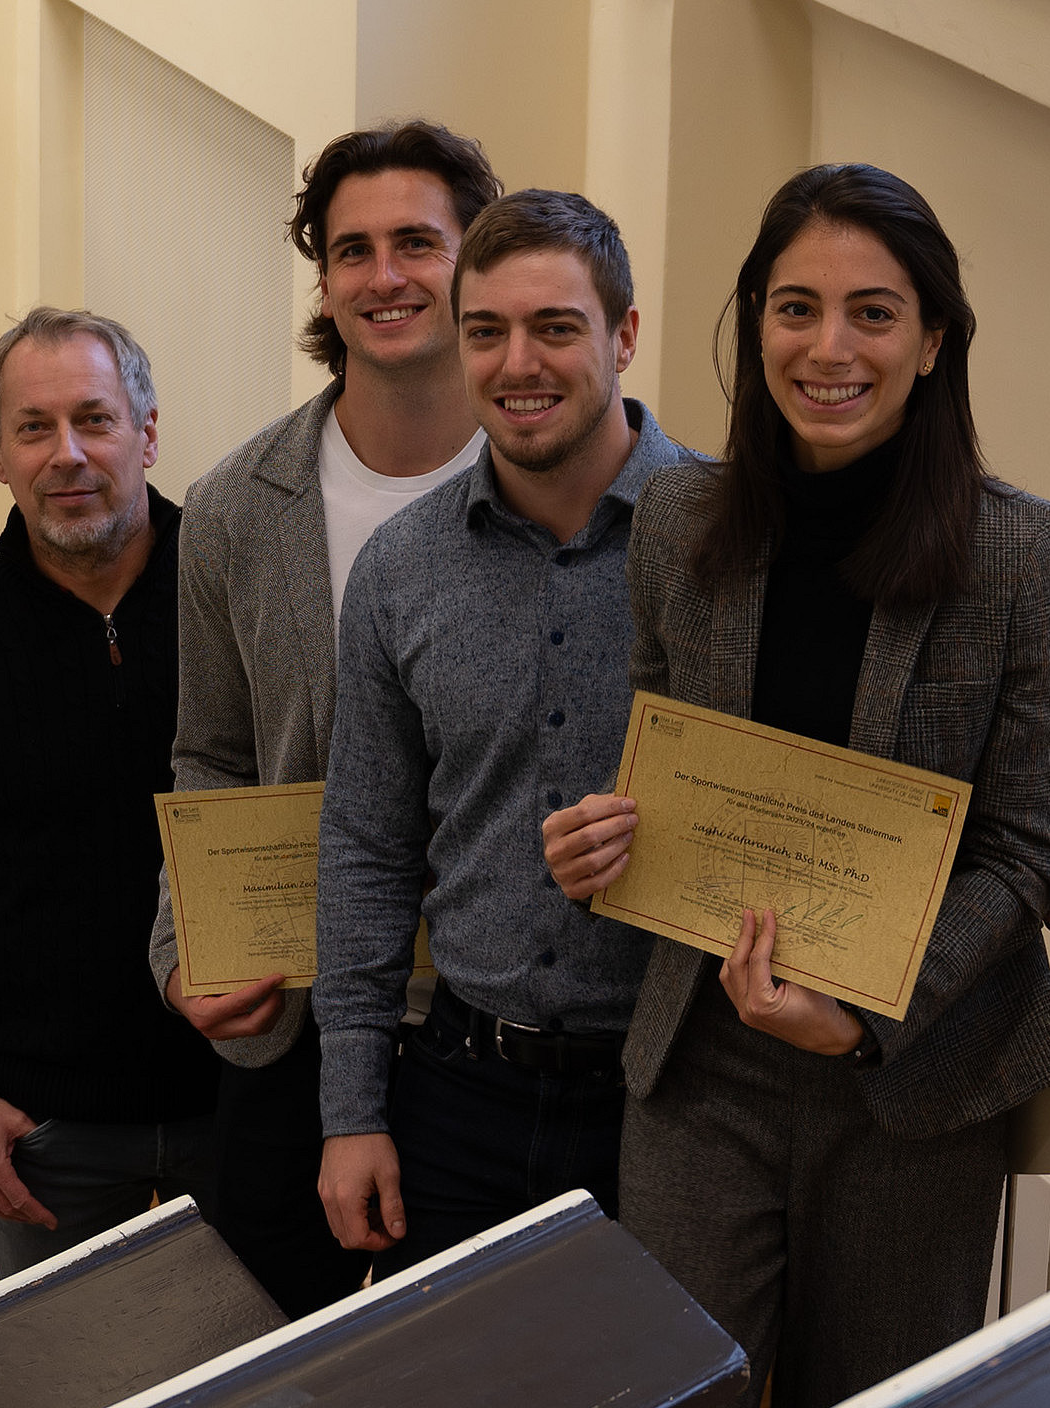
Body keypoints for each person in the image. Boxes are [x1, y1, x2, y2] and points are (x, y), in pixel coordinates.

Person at [544, 164, 1050, 1408]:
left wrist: (861, 1020)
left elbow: (1019, 850)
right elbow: (662, 770)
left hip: (910, 1080)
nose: (826, 347)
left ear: (933, 338)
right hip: (700, 1061)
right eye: (793, 308)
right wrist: (600, 848)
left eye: (872, 312)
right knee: (671, 1390)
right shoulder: (680, 521)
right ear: (754, 325)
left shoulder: (1024, 555)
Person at [146, 120, 501, 1317]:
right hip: (290, 1026)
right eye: (352, 250)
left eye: (417, 242)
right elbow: (212, 751)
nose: (384, 275)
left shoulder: (558, 480)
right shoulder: (233, 506)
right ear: (323, 281)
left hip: (488, 1029)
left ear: (478, 259)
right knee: (264, 1350)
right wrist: (181, 944)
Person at [314, 189, 701, 1278]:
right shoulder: (400, 570)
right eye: (484, 330)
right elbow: (364, 846)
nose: (514, 362)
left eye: (555, 327)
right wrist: (351, 1110)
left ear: (623, 336)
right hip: (455, 1094)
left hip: (677, 1102)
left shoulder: (732, 545)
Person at [0, 307, 219, 1278]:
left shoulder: (238, 594)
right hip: (44, 1131)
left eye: (94, 419)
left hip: (242, 1101)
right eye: (33, 427)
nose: (66, 454)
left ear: (147, 434)